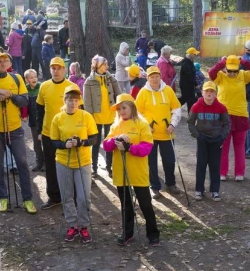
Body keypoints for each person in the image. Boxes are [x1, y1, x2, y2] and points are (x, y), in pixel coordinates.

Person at [0, 51, 36, 213]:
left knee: (22, 163)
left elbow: (24, 100)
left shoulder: (17, 78)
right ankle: (3, 198)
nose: (2, 63)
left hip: (15, 128)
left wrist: (10, 95)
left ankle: (28, 199)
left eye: (5, 60)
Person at [103, 93, 159, 246]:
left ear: (132, 107)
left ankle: (153, 233)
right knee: (126, 205)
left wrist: (130, 148)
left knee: (145, 204)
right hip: (121, 172)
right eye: (119, 109)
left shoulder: (142, 124)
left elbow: (147, 148)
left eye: (124, 108)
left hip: (138, 171)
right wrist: (116, 140)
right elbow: (106, 145)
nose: (121, 111)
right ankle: (127, 233)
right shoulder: (115, 125)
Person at [51, 84, 98, 242]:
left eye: (76, 99)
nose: (73, 102)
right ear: (65, 100)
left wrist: (82, 142)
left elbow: (94, 138)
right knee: (67, 195)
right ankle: (72, 225)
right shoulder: (58, 118)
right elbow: (53, 141)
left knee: (84, 197)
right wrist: (65, 144)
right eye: (70, 99)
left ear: (79, 101)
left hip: (83, 161)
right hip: (63, 161)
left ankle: (84, 226)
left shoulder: (86, 116)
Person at [209, 55, 250, 181]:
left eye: (234, 70)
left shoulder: (243, 75)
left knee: (239, 146)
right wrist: (222, 62)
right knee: (223, 146)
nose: (232, 73)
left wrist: (242, 61)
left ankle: (239, 173)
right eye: (230, 70)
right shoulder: (220, 76)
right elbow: (211, 73)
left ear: (238, 69)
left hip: (241, 115)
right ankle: (222, 172)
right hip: (223, 117)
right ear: (226, 68)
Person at [135, 66, 182, 198]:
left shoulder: (167, 90)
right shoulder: (143, 92)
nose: (155, 79)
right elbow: (137, 113)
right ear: (148, 78)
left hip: (167, 133)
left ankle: (171, 183)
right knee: (151, 161)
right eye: (152, 77)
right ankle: (154, 186)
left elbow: (176, 108)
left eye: (157, 76)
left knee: (169, 160)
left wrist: (173, 124)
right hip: (150, 135)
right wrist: (145, 126)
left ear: (160, 77)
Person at [36, 57, 77, 209]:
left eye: (59, 68)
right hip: (48, 134)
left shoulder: (72, 86)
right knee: (51, 166)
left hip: (68, 134)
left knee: (70, 166)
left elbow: (81, 110)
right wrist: (39, 131)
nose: (56, 70)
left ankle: (70, 197)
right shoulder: (44, 86)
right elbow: (39, 110)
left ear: (64, 69)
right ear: (50, 69)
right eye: (53, 68)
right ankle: (54, 197)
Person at [188, 81, 230, 202]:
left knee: (215, 166)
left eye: (212, 91)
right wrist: (197, 135)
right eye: (207, 91)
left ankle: (215, 191)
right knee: (201, 165)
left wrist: (222, 137)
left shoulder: (221, 107)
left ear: (216, 94)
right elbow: (190, 122)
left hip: (216, 140)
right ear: (202, 93)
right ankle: (199, 190)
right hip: (202, 139)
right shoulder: (196, 106)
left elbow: (227, 123)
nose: (209, 94)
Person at [83, 55, 121, 178]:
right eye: (104, 64)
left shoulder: (111, 78)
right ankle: (94, 168)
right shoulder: (89, 81)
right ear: (97, 66)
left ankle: (109, 167)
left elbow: (119, 95)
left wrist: (120, 110)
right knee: (95, 143)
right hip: (96, 118)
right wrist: (90, 118)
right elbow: (87, 102)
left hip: (111, 116)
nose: (107, 66)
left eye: (106, 64)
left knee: (109, 142)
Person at [25, 69, 44, 171]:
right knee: (36, 144)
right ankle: (39, 162)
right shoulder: (25, 89)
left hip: (43, 120)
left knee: (45, 142)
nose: (34, 79)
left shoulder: (41, 87)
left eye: (35, 77)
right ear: (27, 79)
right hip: (33, 121)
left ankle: (46, 163)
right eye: (31, 77)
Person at [179, 47, 200, 114]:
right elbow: (190, 76)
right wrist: (196, 84)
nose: (195, 55)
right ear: (190, 54)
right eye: (194, 54)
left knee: (190, 100)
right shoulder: (186, 63)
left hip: (189, 84)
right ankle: (172, 107)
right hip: (186, 85)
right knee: (185, 99)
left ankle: (191, 114)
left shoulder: (189, 61)